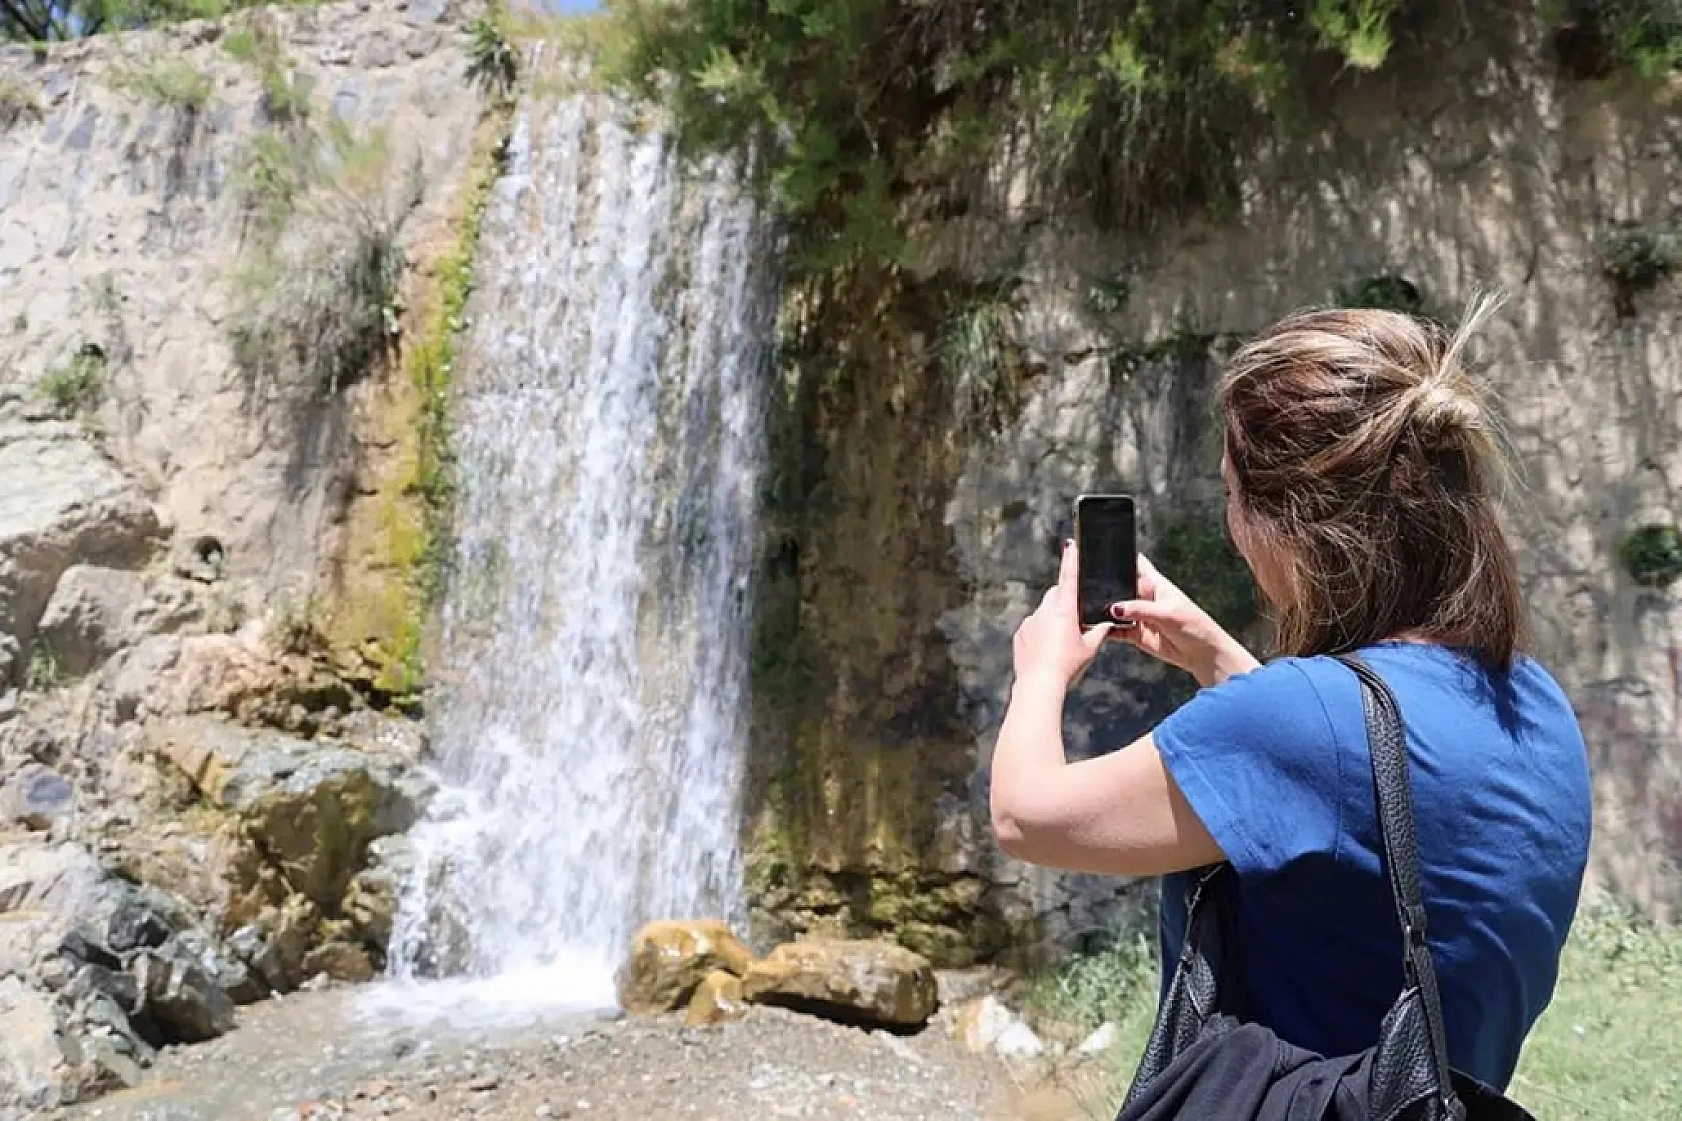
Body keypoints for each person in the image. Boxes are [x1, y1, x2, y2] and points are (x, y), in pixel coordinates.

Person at [989, 298, 1592, 1093]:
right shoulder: (1532, 699)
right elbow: (1363, 800)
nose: (1233, 526)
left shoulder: (1298, 725)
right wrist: (1221, 659)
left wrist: (1041, 670)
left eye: (1234, 495)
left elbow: (1026, 814)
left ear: (1290, 521)